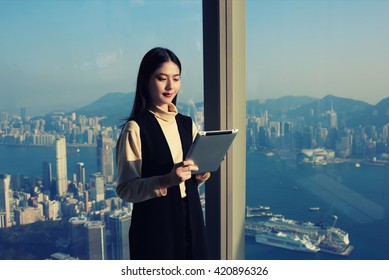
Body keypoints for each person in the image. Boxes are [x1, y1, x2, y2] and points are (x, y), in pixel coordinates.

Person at [115, 47, 210, 260]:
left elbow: (187, 181)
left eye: (176, 79)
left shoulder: (186, 124)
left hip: (192, 218)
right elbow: (125, 189)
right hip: (156, 226)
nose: (170, 86)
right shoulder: (135, 128)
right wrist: (166, 180)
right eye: (162, 78)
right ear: (146, 81)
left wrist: (201, 174)